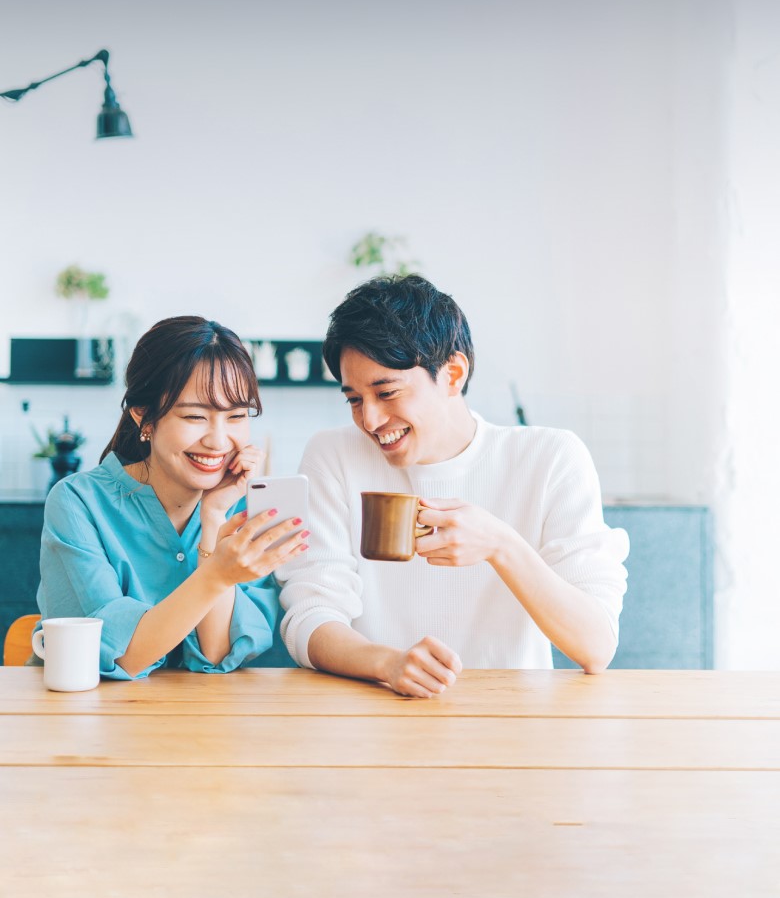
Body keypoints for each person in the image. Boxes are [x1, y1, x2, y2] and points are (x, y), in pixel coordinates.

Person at [277, 275, 629, 697]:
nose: (369, 420)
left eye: (386, 392)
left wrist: (502, 546)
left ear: (453, 374)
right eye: (354, 399)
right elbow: (311, 615)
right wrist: (387, 664)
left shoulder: (550, 458)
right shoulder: (333, 454)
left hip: (511, 720)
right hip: (371, 716)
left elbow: (595, 646)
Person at [38, 316, 308, 680]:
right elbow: (124, 658)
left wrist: (213, 517)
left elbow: (216, 655)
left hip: (199, 724)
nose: (218, 440)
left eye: (236, 416)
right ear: (144, 417)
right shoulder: (77, 502)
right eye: (196, 416)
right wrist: (216, 575)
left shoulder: (242, 506)